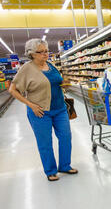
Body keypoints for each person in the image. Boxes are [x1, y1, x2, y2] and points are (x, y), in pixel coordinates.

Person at [8, 39, 77, 181]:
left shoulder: (51, 65)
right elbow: (12, 90)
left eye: (46, 51)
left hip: (60, 109)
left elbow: (56, 83)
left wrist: (64, 83)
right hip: (40, 112)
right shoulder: (27, 69)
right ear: (32, 54)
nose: (45, 54)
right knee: (45, 142)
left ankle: (65, 165)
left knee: (66, 137)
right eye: (41, 52)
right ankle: (50, 171)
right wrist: (30, 105)